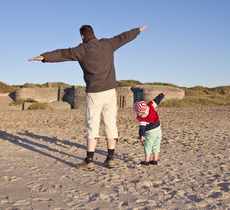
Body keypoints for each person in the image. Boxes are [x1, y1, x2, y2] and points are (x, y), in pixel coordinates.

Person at [29, 24, 147, 169]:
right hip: (110, 92)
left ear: (82, 36)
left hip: (94, 94)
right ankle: (110, 159)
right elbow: (123, 37)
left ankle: (89, 161)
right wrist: (138, 30)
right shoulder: (107, 44)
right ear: (94, 33)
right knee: (110, 124)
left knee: (93, 125)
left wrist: (44, 57)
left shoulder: (82, 50)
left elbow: (62, 53)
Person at [133, 91, 168, 166]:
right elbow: (156, 100)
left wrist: (141, 136)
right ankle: (155, 161)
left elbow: (142, 128)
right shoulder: (151, 106)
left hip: (150, 132)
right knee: (156, 145)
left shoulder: (143, 117)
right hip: (158, 130)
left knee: (148, 146)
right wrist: (162, 94)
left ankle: (146, 161)